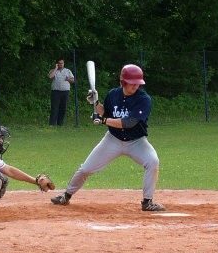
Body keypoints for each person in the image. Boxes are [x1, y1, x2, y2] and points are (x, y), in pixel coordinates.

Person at [51, 64, 165, 211]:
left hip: (137, 141)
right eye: (132, 83)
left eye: (138, 83)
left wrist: (103, 121)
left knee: (152, 161)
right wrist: (95, 103)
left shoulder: (144, 99)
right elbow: (105, 113)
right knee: (86, 169)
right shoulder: (113, 94)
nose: (136, 86)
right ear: (123, 82)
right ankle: (66, 195)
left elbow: (129, 122)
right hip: (113, 139)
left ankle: (147, 202)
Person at [47, 59, 75, 126]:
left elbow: (73, 80)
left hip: (65, 92)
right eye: (59, 63)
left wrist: (68, 79)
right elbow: (50, 77)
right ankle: (52, 124)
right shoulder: (53, 70)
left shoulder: (68, 71)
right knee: (54, 108)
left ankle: (60, 123)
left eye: (62, 63)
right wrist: (56, 68)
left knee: (63, 108)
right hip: (55, 92)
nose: (60, 64)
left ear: (64, 64)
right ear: (57, 64)